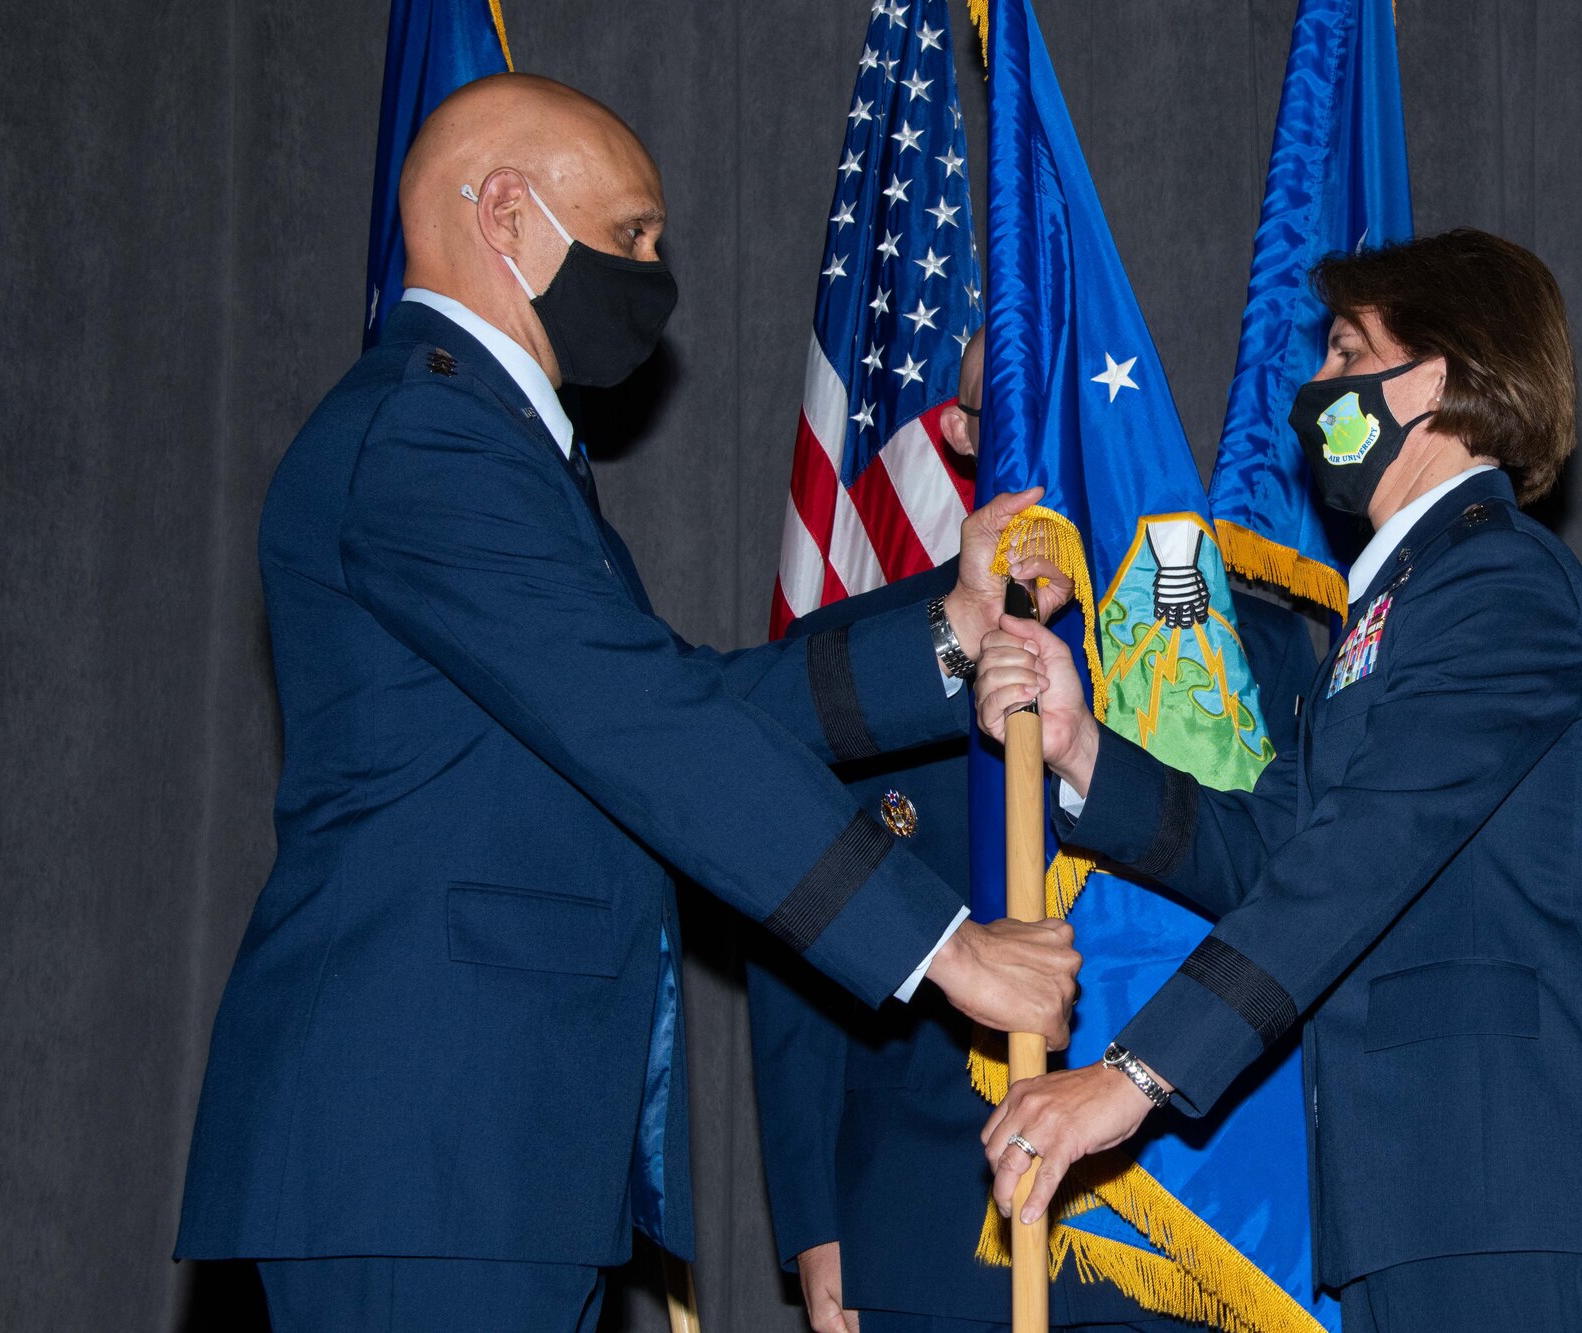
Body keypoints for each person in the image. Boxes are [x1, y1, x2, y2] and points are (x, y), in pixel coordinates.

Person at [172, 73, 1082, 1333]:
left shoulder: (490, 443)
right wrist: (946, 951)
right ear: (504, 213)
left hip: (489, 1155)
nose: (654, 277)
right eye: (632, 238)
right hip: (418, 1145)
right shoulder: (426, 437)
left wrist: (945, 630)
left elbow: (674, 700)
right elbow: (647, 724)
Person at [973, 229, 1582, 1333]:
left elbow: (1360, 858)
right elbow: (1273, 850)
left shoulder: (1498, 583)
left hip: (1504, 1191)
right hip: (1409, 1201)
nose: (1313, 387)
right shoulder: (1390, 605)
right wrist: (1079, 752)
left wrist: (1131, 1076)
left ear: (1432, 379)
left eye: (1346, 353)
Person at [746, 329, 1319, 1333]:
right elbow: (796, 946)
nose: (1039, 436)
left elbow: (1294, 899)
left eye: (1062, 406)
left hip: (1193, 1213)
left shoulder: (1247, 649)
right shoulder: (860, 659)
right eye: (1003, 409)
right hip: (934, 1222)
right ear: (963, 435)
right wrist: (813, 1221)